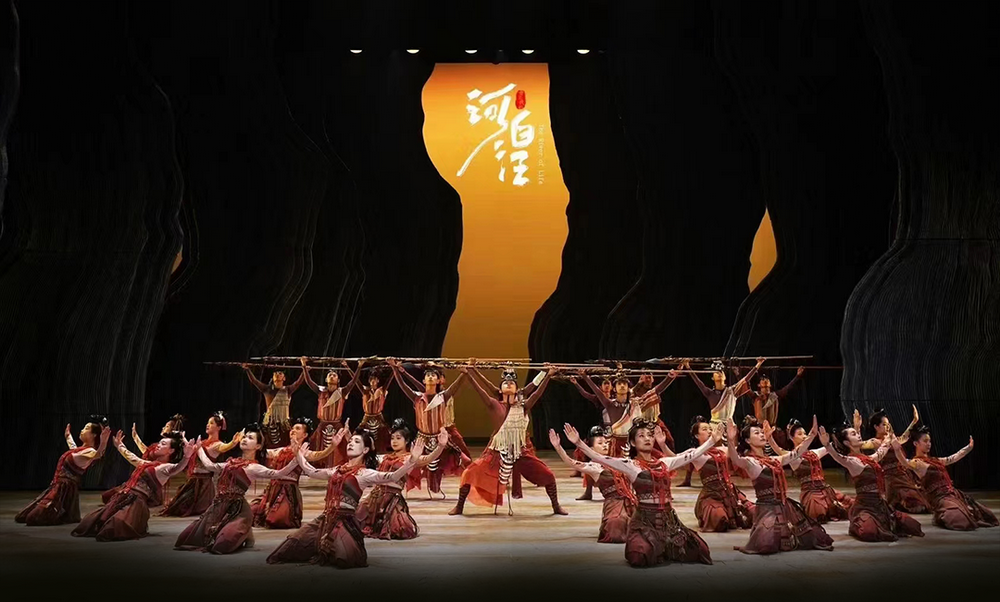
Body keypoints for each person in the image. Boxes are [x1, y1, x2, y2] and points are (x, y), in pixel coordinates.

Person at [565, 419, 718, 567]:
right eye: (641, 436)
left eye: (650, 435)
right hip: (645, 521)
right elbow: (600, 457)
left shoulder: (665, 463)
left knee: (701, 549)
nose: (647, 439)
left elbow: (691, 456)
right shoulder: (631, 465)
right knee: (639, 555)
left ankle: (664, 546)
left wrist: (712, 441)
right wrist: (579, 443)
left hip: (669, 521)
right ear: (633, 442)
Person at [266, 431, 426, 568]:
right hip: (325, 519)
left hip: (344, 522)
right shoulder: (337, 469)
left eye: (356, 442)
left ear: (365, 449)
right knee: (288, 547)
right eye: (350, 441)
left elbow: (392, 476)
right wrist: (299, 455)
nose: (350, 444)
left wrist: (412, 461)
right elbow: (312, 472)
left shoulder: (365, 474)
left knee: (345, 559)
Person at [449, 364, 566, 515]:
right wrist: (469, 373)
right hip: (497, 452)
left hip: (520, 452)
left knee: (548, 475)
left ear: (517, 390)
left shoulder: (523, 406)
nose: (509, 384)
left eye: (512, 383)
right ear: (500, 390)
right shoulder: (494, 404)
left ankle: (556, 506)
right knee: (468, 474)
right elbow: (481, 389)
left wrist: (548, 375)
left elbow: (536, 393)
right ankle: (459, 506)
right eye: (505, 383)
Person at [174, 423, 298, 554]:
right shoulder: (231, 463)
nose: (244, 439)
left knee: (221, 546)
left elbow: (278, 473)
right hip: (219, 506)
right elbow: (210, 466)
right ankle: (245, 533)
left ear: (258, 446)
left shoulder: (254, 467)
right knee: (184, 539)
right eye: (244, 437)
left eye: (250, 438)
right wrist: (198, 449)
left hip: (238, 509)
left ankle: (244, 530)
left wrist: (296, 459)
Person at [727, 416, 834, 555]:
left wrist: (812, 436)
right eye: (757, 433)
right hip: (766, 508)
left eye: (762, 432)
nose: (761, 435)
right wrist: (730, 440)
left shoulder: (774, 459)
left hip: (784, 505)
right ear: (748, 440)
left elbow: (796, 454)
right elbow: (736, 459)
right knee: (766, 545)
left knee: (813, 538)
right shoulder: (750, 462)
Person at [72, 432, 197, 541]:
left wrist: (186, 457)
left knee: (114, 527)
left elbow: (177, 468)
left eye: (163, 444)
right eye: (159, 442)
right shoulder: (149, 464)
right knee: (90, 522)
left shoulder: (166, 468)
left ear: (171, 451)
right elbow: (133, 458)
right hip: (124, 496)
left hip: (136, 502)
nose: (158, 445)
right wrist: (120, 446)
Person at [819, 423, 923, 542]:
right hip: (865, 506)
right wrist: (827, 445)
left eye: (857, 433)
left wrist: (889, 436)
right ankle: (858, 522)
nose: (858, 435)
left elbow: (882, 450)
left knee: (912, 525)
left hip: (879, 504)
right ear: (847, 443)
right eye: (854, 434)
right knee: (869, 531)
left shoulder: (869, 459)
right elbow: (837, 457)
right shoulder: (851, 461)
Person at [388, 358, 469, 496]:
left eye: (433, 375)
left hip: (439, 438)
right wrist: (395, 369)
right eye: (428, 375)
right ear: (424, 380)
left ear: (438, 381)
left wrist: (463, 373)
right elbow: (402, 385)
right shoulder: (417, 397)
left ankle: (440, 486)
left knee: (448, 464)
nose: (430, 377)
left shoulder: (443, 396)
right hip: (422, 438)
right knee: (411, 464)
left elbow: (455, 386)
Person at [679, 357, 765, 486]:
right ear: (712, 377)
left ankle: (726, 478)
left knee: (731, 455)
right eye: (716, 372)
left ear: (725, 376)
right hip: (714, 428)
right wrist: (688, 367)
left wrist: (758, 364)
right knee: (706, 453)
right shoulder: (709, 393)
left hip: (729, 427)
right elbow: (697, 382)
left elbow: (745, 379)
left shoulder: (732, 391)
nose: (719, 374)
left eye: (721, 372)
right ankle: (689, 479)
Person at [358, 420, 450, 540]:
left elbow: (428, 458)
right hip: (375, 496)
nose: (394, 441)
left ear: (406, 441)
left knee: (399, 529)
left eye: (398, 438)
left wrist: (440, 446)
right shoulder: (386, 457)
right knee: (356, 519)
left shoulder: (410, 458)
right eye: (392, 438)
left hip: (392, 499)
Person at [16, 418, 111, 526]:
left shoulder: (91, 451)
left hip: (64, 489)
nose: (82, 430)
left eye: (86, 428)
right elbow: (73, 450)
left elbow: (97, 455)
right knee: (22, 516)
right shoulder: (80, 450)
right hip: (56, 486)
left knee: (33, 518)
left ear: (94, 435)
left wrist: (103, 442)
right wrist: (68, 436)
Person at [548, 426, 635, 543]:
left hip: (632, 500)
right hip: (614, 504)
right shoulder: (594, 467)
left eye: (606, 442)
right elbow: (571, 462)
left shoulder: (615, 461)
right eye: (600, 443)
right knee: (616, 530)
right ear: (592, 448)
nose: (605, 445)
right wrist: (558, 447)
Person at [903, 425, 996, 531]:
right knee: (961, 521)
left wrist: (968, 448)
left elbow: (951, 458)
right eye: (925, 441)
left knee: (987, 515)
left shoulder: (935, 460)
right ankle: (942, 515)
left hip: (952, 494)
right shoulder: (917, 463)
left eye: (929, 441)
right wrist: (897, 448)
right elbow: (904, 462)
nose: (929, 444)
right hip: (940, 498)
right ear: (916, 443)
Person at [250, 416, 338, 529]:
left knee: (278, 519)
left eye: (297, 428)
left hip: (288, 490)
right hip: (273, 487)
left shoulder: (304, 452)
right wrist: (256, 441)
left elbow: (320, 455)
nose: (293, 430)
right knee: (252, 511)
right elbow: (264, 453)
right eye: (292, 428)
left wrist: (332, 446)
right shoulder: (281, 450)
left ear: (305, 435)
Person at [766, 418, 852, 523]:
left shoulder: (815, 453)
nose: (804, 436)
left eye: (805, 433)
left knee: (850, 504)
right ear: (791, 437)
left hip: (826, 489)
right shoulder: (792, 457)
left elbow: (832, 446)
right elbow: (778, 450)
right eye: (800, 434)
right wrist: (769, 438)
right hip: (811, 493)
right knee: (818, 513)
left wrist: (851, 431)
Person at [159, 411, 241, 517]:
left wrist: (233, 442)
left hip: (204, 482)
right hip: (193, 479)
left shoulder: (218, 445)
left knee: (196, 509)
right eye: (208, 423)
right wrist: (183, 439)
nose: (208, 425)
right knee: (178, 507)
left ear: (219, 427)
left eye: (211, 423)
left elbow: (226, 447)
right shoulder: (202, 442)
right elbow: (190, 451)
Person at [854, 406, 928, 513]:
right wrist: (857, 428)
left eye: (888, 424)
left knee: (922, 498)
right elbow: (859, 444)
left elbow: (904, 437)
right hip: (890, 478)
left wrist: (914, 421)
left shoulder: (891, 440)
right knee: (911, 500)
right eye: (884, 424)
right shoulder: (875, 442)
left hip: (902, 475)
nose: (887, 427)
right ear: (876, 427)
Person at [101, 413, 186, 506]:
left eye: (167, 426)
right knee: (108, 496)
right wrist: (135, 438)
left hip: (151, 475)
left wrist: (122, 446)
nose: (163, 428)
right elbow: (146, 452)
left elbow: (141, 457)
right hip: (146, 471)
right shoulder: (160, 447)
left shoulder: (165, 454)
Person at [687, 416, 754, 532]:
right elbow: (675, 458)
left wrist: (731, 439)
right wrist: (662, 445)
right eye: (704, 429)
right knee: (719, 519)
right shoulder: (695, 453)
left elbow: (737, 452)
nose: (709, 431)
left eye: (710, 429)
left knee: (754, 512)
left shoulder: (721, 450)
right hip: (712, 494)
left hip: (729, 491)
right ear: (697, 436)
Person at [302, 357, 361, 467]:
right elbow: (309, 381)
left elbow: (354, 381)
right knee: (316, 448)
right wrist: (304, 366)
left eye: (334, 375)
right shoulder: (320, 391)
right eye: (330, 375)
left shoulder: (342, 391)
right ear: (326, 379)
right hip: (322, 425)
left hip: (337, 425)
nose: (332, 376)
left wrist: (359, 366)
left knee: (340, 451)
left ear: (338, 380)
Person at [243, 362, 307, 448]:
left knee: (284, 445)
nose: (277, 375)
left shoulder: (288, 389)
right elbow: (254, 381)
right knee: (268, 444)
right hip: (269, 423)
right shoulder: (267, 389)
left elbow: (299, 382)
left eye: (280, 373)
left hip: (283, 424)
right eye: (275, 373)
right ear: (272, 377)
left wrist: (304, 369)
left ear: (284, 378)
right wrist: (248, 370)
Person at [751, 367, 804, 449]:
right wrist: (738, 375)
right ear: (759, 385)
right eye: (764, 387)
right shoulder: (756, 397)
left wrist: (797, 376)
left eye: (767, 386)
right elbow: (745, 388)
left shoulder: (774, 396)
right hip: (761, 429)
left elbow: (787, 388)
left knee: (781, 442)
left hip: (773, 430)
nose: (766, 388)